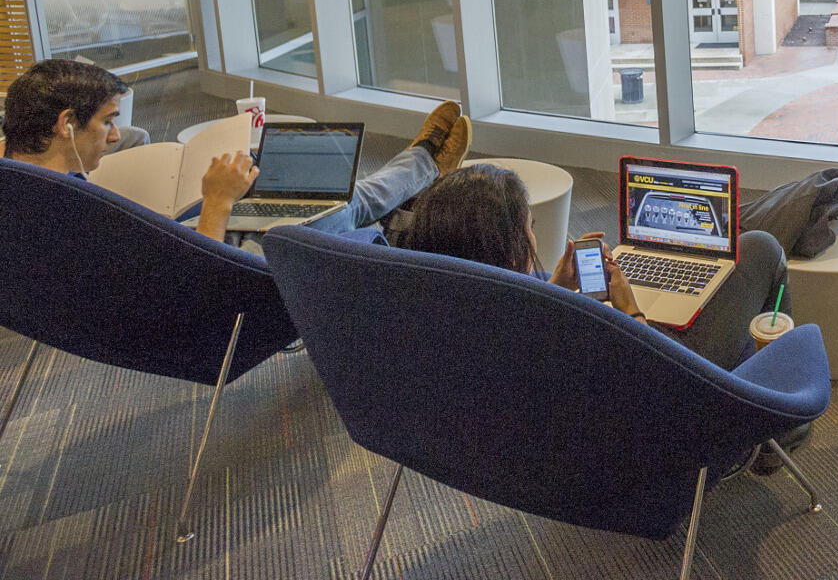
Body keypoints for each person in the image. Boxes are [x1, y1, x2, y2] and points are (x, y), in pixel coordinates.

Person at [1, 59, 469, 244]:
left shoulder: (19, 185)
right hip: (217, 263)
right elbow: (192, 281)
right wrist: (218, 201)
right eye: (107, 121)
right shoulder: (73, 210)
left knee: (305, 192)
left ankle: (417, 178)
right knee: (339, 204)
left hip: (180, 226)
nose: (114, 135)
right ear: (65, 125)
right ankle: (423, 166)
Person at [400, 163, 789, 371]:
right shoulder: (560, 336)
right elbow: (660, 378)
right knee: (761, 248)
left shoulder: (449, 335)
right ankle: (778, 423)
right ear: (509, 248)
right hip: (665, 418)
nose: (534, 239)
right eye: (529, 229)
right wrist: (631, 311)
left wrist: (554, 287)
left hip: (553, 469)